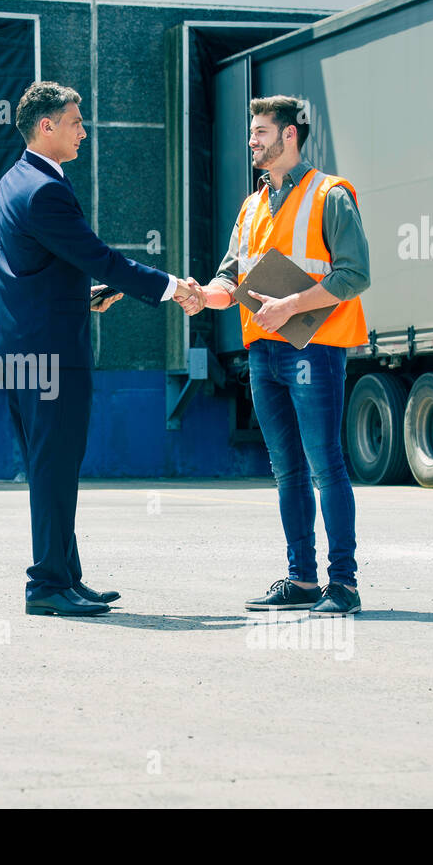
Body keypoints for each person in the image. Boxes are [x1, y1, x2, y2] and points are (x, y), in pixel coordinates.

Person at [0, 81, 203, 617]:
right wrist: (173, 287)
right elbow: (101, 257)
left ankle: (64, 576)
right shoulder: (46, 190)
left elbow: (27, 270)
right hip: (52, 357)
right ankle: (46, 585)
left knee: (51, 465)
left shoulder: (12, 181)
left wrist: (78, 299)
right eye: (75, 122)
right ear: (46, 127)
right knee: (55, 466)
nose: (83, 131)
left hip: (20, 351)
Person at [180, 95, 370, 615]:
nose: (252, 141)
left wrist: (291, 305)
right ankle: (302, 581)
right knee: (287, 470)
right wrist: (201, 296)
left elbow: (355, 274)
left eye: (262, 131)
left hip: (315, 350)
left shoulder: (331, 195)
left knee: (325, 467)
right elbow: (229, 278)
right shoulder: (251, 205)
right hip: (263, 353)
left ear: (290, 135)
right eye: (251, 131)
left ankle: (344, 584)